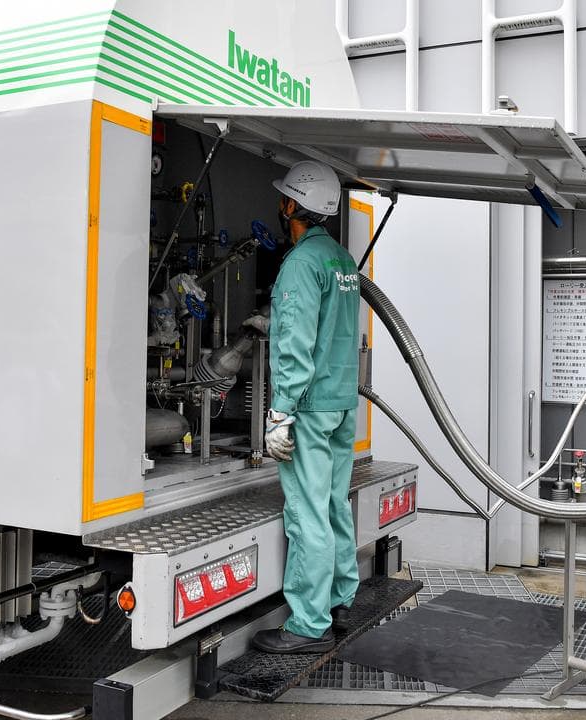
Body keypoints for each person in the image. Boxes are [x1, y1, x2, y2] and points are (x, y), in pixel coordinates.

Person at [251, 160, 362, 654]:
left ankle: (308, 623)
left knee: (307, 511)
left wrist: (280, 413)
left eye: (283, 199)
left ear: (293, 206)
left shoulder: (299, 263)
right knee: (335, 502)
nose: (280, 206)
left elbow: (295, 344)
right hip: (340, 400)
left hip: (311, 407)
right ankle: (340, 599)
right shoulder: (341, 260)